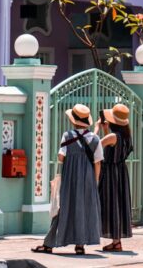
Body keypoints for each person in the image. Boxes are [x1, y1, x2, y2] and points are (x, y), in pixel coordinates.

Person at [33, 103, 103, 255]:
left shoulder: (67, 135)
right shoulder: (95, 139)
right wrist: (95, 181)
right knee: (84, 208)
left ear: (73, 120)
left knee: (62, 208)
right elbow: (98, 163)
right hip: (88, 179)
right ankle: (80, 245)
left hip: (70, 177)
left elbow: (60, 157)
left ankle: (49, 243)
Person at [96, 103, 134, 252]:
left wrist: (98, 129)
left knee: (109, 204)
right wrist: (106, 130)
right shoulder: (127, 137)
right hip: (121, 173)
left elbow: (97, 147)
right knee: (118, 205)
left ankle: (116, 241)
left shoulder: (113, 136)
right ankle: (116, 241)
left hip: (110, 174)